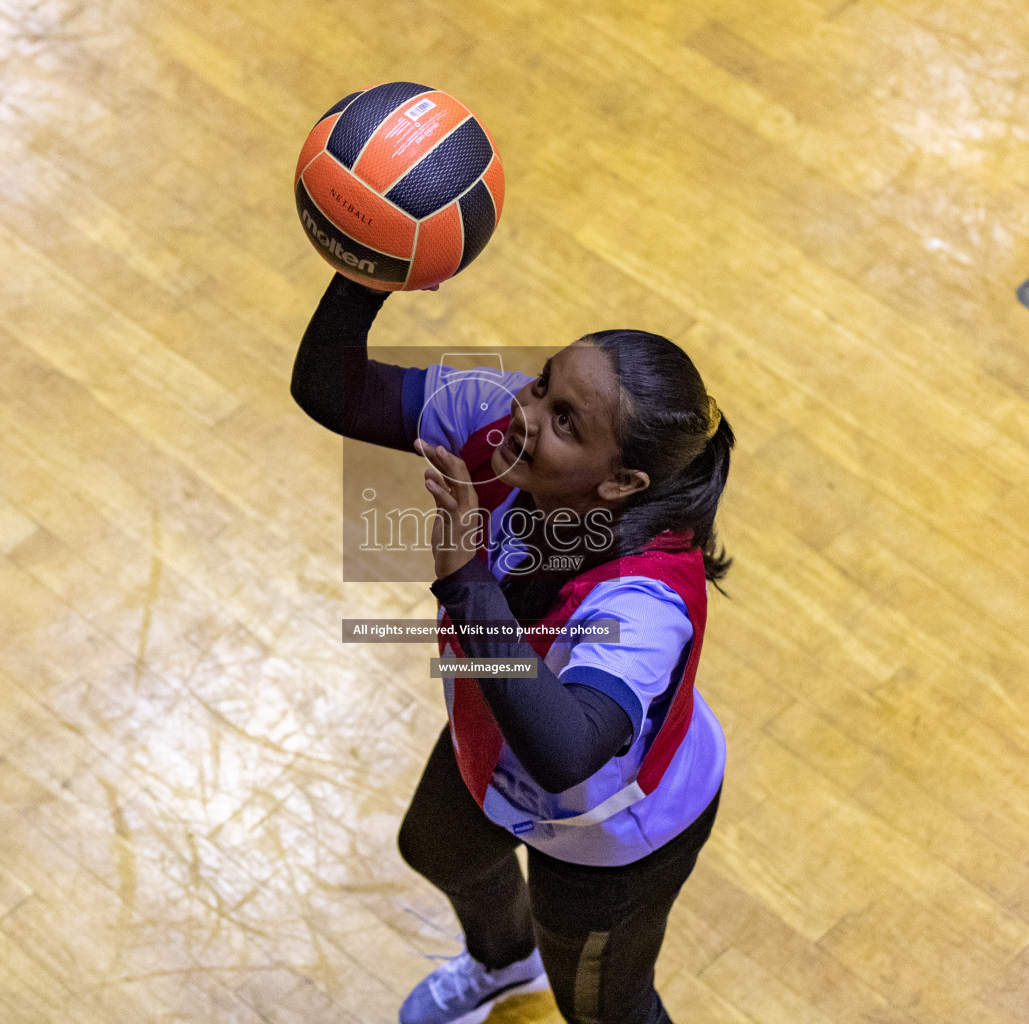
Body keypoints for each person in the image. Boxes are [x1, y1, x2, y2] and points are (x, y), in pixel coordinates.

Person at [291, 271, 735, 1024]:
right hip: (497, 738)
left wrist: (466, 579)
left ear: (623, 482)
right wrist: (367, 268)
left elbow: (567, 751)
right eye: (541, 385)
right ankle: (503, 965)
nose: (525, 415)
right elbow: (331, 390)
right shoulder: (500, 422)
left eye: (565, 421)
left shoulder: (645, 595)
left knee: (604, 1008)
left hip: (611, 829)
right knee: (438, 848)